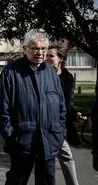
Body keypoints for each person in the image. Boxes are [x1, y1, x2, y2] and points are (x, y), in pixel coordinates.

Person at [0, 29, 66, 185]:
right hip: (22, 143)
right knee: (16, 181)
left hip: (49, 142)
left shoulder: (51, 73)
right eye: (35, 48)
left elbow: (61, 108)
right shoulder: (11, 72)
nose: (40, 52)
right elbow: (2, 111)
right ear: (25, 49)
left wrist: (59, 134)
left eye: (43, 48)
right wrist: (12, 139)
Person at [46, 45, 83, 185]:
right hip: (43, 122)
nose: (47, 58)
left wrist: (76, 114)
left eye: (51, 55)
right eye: (46, 55)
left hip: (58, 125)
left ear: (60, 58)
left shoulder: (67, 78)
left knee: (66, 157)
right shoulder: (41, 74)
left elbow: (67, 103)